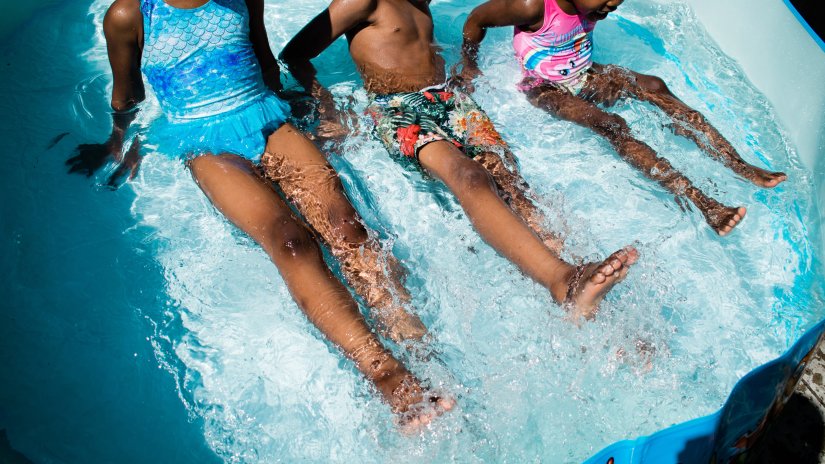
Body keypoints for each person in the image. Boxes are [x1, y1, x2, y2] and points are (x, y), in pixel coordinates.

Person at [67, 0, 450, 426]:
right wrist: (120, 138)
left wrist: (307, 105)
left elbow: (264, 57)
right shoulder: (131, 15)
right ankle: (386, 374)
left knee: (347, 226)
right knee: (291, 240)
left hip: (266, 116)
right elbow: (127, 92)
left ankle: (417, 344)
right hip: (203, 139)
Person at [281, 0, 638, 321]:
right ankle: (561, 281)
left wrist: (468, 64)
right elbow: (294, 53)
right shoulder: (363, 3)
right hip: (401, 111)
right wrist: (325, 104)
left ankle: (582, 281)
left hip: (451, 100)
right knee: (470, 177)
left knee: (512, 184)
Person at [460, 0, 788, 236]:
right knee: (612, 125)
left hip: (583, 73)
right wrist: (469, 63)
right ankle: (702, 202)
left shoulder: (595, 4)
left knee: (655, 86)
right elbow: (476, 19)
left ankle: (738, 165)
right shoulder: (531, 7)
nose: (614, 4)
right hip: (544, 88)